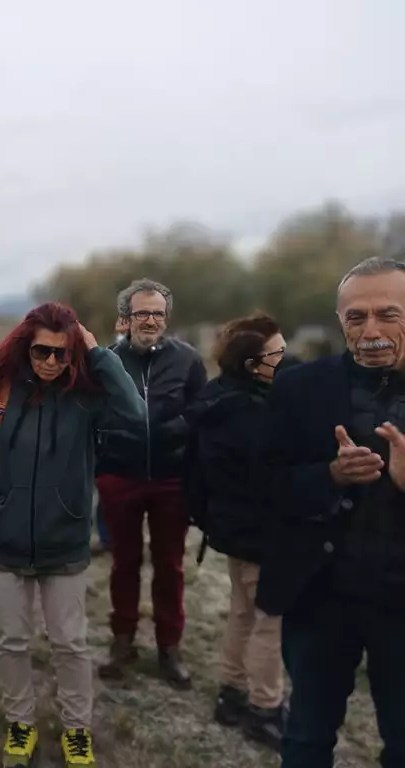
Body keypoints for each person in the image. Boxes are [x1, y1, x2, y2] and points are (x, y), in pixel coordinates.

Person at [0, 302, 145, 768]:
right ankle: (21, 725)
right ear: (25, 344)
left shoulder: (86, 394)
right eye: (43, 351)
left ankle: (76, 731)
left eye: (63, 353)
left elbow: (137, 418)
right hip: (2, 543)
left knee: (70, 644)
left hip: (65, 542)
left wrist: (100, 355)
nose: (52, 362)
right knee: (13, 642)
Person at [257, 256, 405, 768]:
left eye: (389, 314)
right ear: (340, 321)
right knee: (306, 739)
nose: (372, 331)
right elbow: (265, 485)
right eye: (356, 317)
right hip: (321, 595)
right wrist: (330, 475)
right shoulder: (299, 388)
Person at [95, 278, 207, 688]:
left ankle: (169, 646)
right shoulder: (105, 360)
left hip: (170, 481)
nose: (150, 320)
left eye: (157, 313)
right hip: (119, 477)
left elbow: (201, 410)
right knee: (124, 564)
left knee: (169, 566)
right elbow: (92, 412)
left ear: (166, 317)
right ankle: (122, 640)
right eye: (142, 313)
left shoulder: (188, 360)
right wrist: (102, 466)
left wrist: (177, 429)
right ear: (126, 318)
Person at [184, 314, 288, 750]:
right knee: (269, 623)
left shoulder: (216, 399)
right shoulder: (254, 414)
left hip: (230, 529)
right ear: (252, 365)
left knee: (243, 613)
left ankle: (231, 692)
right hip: (260, 532)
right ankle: (265, 709)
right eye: (277, 354)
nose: (286, 361)